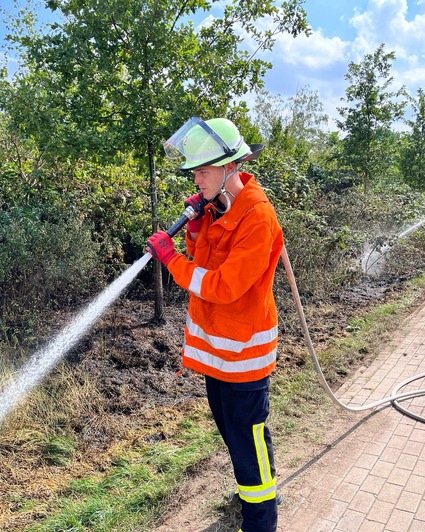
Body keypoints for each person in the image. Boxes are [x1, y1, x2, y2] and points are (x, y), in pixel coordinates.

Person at [146, 117, 283, 532]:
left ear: (230, 168)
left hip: (243, 355)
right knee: (234, 435)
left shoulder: (257, 218)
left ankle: (260, 520)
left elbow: (222, 286)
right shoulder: (219, 208)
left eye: (203, 170)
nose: (196, 177)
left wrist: (171, 260)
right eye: (194, 171)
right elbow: (205, 262)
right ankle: (248, 488)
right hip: (216, 353)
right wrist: (197, 224)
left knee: (249, 438)